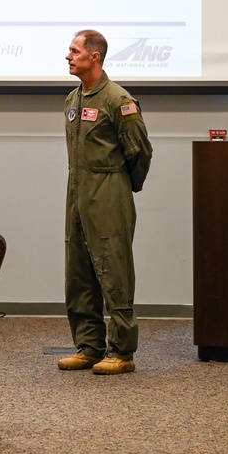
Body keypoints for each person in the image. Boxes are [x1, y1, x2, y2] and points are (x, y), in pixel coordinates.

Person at [59, 29, 152, 375]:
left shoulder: (118, 100)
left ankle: (122, 351)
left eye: (74, 51)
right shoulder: (72, 100)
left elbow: (140, 152)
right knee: (79, 270)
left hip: (109, 191)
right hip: (77, 190)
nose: (68, 56)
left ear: (94, 56)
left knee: (113, 269)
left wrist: (122, 188)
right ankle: (88, 346)